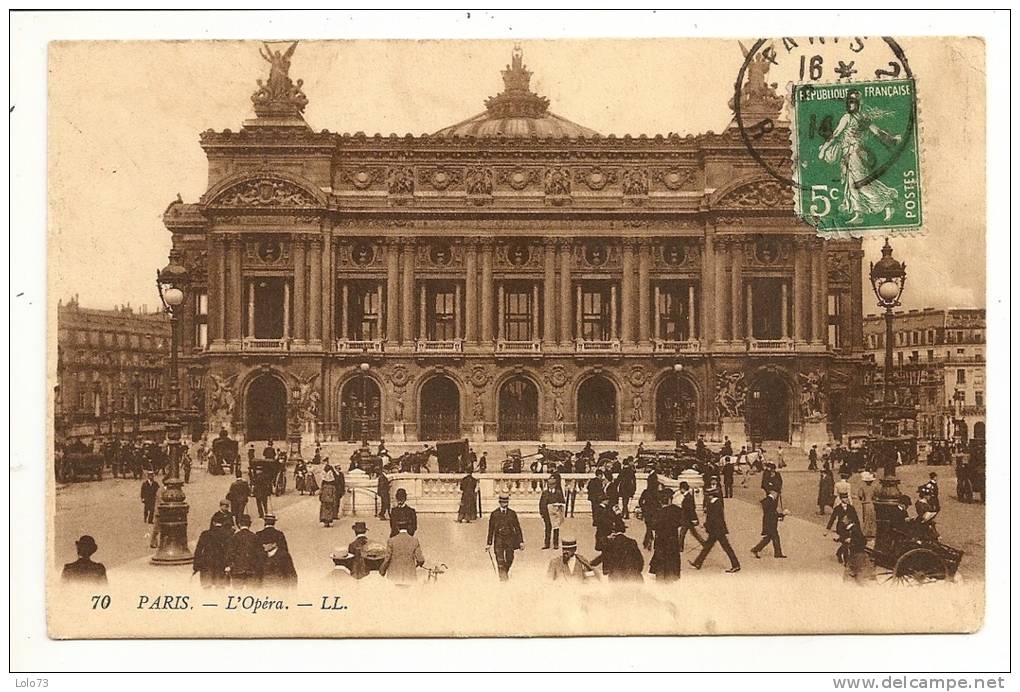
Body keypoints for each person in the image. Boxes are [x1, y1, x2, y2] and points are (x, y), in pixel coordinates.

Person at [690, 485, 741, 573]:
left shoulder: (715, 504)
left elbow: (714, 518)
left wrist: (706, 525)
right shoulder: (713, 503)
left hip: (718, 530)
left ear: (712, 495)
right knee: (707, 547)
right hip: (715, 530)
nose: (707, 497)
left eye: (708, 495)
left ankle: (736, 565)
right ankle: (698, 562)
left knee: (725, 547)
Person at [486, 493, 524, 581]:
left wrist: (521, 541)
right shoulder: (494, 514)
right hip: (498, 540)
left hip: (510, 539)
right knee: (500, 560)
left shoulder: (512, 513)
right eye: (503, 502)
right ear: (499, 502)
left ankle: (504, 573)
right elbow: (491, 529)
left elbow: (517, 528)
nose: (505, 504)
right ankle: (503, 578)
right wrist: (489, 543)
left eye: (506, 502)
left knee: (510, 558)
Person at [649, 490, 684, 582]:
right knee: (672, 560)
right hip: (672, 540)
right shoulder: (677, 510)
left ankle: (660, 579)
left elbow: (653, 526)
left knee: (661, 561)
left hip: (660, 540)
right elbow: (682, 522)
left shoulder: (658, 513)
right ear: (670, 500)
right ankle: (672, 578)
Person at [380, 519, 424, 586]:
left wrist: (382, 571)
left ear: (397, 527)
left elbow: (387, 558)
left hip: (394, 575)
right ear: (408, 527)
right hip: (409, 575)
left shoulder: (391, 541)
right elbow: (421, 559)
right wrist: (416, 565)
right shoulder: (414, 540)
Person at [225, 514, 264, 587]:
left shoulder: (234, 537)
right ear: (250, 524)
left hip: (237, 571)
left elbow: (230, 553)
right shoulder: (255, 537)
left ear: (239, 524)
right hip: (252, 571)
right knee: (252, 594)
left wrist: (229, 566)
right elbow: (260, 555)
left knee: (237, 595)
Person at [193, 518, 231, 588]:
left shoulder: (205, 534)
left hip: (207, 564)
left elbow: (198, 550)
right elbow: (228, 551)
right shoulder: (226, 535)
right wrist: (228, 564)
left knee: (206, 588)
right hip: (220, 564)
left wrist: (196, 566)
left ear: (213, 523)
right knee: (220, 588)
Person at [751, 489, 787, 559]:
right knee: (775, 537)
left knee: (768, 538)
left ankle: (756, 549)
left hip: (769, 522)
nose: (777, 495)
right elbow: (772, 514)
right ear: (773, 493)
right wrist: (782, 514)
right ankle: (777, 553)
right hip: (770, 523)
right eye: (777, 493)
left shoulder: (769, 500)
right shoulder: (770, 501)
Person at [260, 522, 298, 588]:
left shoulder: (284, 556)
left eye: (266, 543)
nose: (263, 545)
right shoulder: (262, 556)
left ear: (274, 544)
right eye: (263, 543)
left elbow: (291, 574)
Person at [826, 494, 861, 564]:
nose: (846, 499)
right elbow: (832, 518)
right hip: (841, 528)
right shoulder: (837, 508)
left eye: (847, 498)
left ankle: (839, 553)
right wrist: (828, 529)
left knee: (846, 543)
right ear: (841, 499)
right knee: (845, 543)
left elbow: (855, 518)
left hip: (849, 527)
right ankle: (846, 561)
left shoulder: (851, 508)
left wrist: (858, 527)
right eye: (844, 498)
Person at [678, 481, 706, 551]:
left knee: (682, 534)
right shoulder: (689, 496)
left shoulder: (688, 497)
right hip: (688, 519)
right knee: (694, 533)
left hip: (687, 519)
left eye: (680, 489)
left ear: (683, 489)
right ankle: (704, 544)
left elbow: (691, 509)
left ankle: (680, 547)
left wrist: (693, 519)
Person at [539, 477, 566, 549]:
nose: (550, 486)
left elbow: (562, 502)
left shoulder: (558, 493)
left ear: (555, 485)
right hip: (546, 513)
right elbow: (541, 503)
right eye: (549, 484)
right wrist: (541, 512)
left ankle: (555, 544)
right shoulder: (545, 493)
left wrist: (558, 507)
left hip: (555, 513)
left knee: (556, 528)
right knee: (547, 528)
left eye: (552, 484)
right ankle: (547, 544)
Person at [638, 474, 660, 551]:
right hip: (655, 512)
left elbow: (640, 501)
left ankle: (647, 541)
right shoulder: (657, 492)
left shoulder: (646, 492)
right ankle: (649, 541)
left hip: (647, 512)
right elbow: (659, 503)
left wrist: (643, 508)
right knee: (654, 527)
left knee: (649, 527)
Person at [857, 471, 878, 540]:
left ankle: (865, 532)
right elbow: (876, 496)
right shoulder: (874, 487)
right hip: (872, 503)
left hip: (865, 503)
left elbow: (860, 496)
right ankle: (872, 532)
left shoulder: (862, 487)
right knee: (872, 517)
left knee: (865, 517)